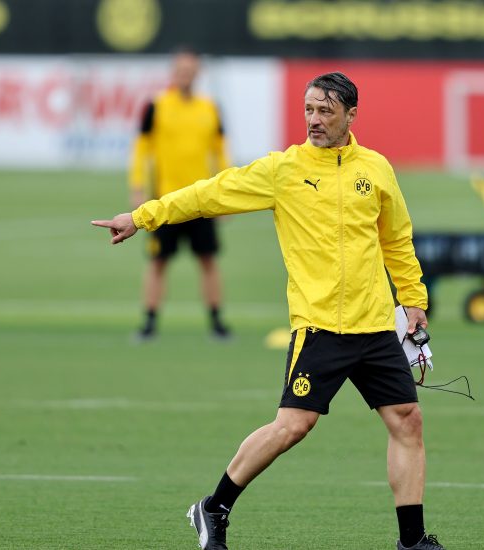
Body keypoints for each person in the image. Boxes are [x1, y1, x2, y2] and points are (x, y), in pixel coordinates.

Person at [93, 72, 444, 550]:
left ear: (351, 115)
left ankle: (412, 540)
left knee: (407, 419)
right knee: (293, 426)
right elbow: (208, 194)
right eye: (309, 110)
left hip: (377, 325)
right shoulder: (283, 170)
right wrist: (140, 217)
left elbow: (396, 239)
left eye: (326, 111)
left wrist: (413, 298)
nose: (314, 120)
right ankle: (213, 508)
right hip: (319, 326)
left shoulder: (377, 169)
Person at [128, 48, 232, 341]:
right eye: (181, 71)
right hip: (165, 201)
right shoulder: (156, 106)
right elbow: (141, 149)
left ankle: (217, 322)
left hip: (202, 201)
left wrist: (227, 195)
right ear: (173, 74)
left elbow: (221, 152)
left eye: (191, 71)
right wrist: (137, 186)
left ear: (198, 74)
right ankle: (149, 322)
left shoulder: (210, 108)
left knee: (209, 260)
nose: (186, 76)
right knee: (158, 262)